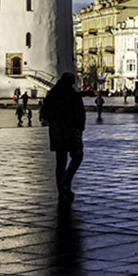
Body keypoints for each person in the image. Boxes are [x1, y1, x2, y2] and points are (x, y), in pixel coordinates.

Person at [42, 73, 86, 204]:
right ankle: (66, 182)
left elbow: (45, 112)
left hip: (56, 131)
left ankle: (62, 190)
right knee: (77, 156)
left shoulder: (52, 94)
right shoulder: (73, 95)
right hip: (72, 129)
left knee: (60, 162)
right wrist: (80, 127)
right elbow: (80, 112)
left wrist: (54, 123)